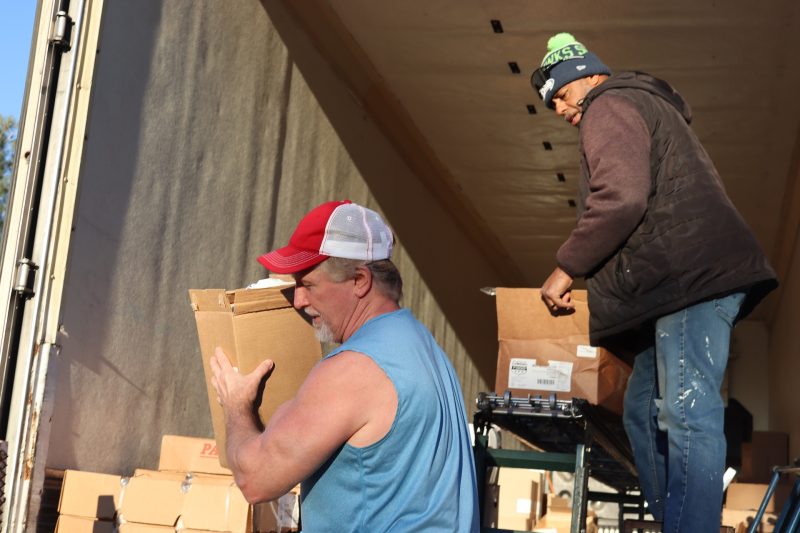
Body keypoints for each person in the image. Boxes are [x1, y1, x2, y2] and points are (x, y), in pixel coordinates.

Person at [531, 33, 778, 532]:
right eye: (552, 103)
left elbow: (621, 198)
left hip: (690, 281)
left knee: (687, 411)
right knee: (641, 412)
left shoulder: (609, 105)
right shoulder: (630, 107)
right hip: (666, 291)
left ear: (587, 77)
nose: (559, 108)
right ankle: (677, 520)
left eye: (561, 95)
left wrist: (566, 266)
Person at [210, 200, 479, 532]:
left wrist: (237, 405)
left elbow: (255, 480)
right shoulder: (426, 347)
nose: (298, 300)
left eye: (308, 284)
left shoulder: (355, 368)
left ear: (360, 280)